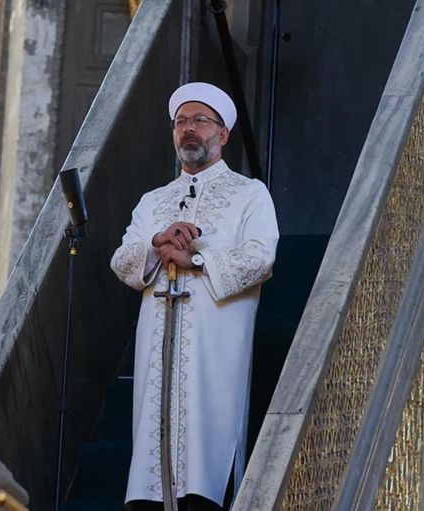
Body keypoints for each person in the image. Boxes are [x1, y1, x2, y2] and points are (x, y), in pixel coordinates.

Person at [110, 82, 279, 510]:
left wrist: (196, 261)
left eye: (201, 120)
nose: (189, 129)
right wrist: (156, 243)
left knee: (207, 458)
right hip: (158, 346)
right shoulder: (153, 201)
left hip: (216, 347)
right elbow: (122, 260)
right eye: (181, 122)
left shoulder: (249, 194)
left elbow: (260, 259)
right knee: (152, 464)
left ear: (223, 133)